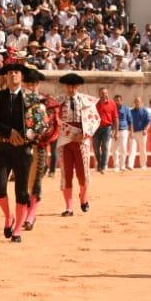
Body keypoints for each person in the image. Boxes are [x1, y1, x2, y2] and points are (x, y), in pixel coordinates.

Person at [0, 61, 37, 242]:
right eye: (10, 73)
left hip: (23, 148)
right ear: (5, 77)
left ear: (22, 76)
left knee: (21, 191)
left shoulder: (31, 98)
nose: (13, 75)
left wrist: (24, 136)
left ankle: (18, 231)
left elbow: (39, 124)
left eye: (17, 72)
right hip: (4, 147)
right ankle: (9, 216)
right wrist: (9, 132)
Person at [20, 67, 59, 229]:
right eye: (28, 83)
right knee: (22, 184)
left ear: (38, 84)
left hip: (38, 146)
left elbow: (52, 126)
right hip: (20, 147)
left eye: (34, 83)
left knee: (35, 183)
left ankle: (30, 216)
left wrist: (38, 137)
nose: (31, 86)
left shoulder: (47, 102)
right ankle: (26, 214)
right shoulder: (15, 101)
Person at [56, 73, 100, 215]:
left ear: (78, 86)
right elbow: (53, 120)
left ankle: (84, 197)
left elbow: (95, 119)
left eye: (74, 86)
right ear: (65, 86)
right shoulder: (59, 101)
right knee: (66, 174)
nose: (71, 88)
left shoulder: (87, 101)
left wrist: (85, 134)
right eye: (69, 86)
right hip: (65, 141)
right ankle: (69, 207)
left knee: (83, 174)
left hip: (81, 140)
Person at [93, 86, 117, 172]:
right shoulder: (94, 103)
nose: (104, 95)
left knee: (106, 147)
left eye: (106, 93)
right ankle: (99, 163)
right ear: (99, 94)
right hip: (96, 128)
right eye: (102, 93)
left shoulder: (112, 103)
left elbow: (115, 118)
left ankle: (103, 166)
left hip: (107, 128)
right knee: (96, 148)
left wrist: (116, 131)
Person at [128, 97, 151, 169]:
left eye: (138, 102)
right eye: (135, 102)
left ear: (141, 103)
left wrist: (145, 129)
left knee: (142, 149)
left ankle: (143, 165)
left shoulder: (145, 111)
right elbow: (129, 122)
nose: (137, 103)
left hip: (142, 132)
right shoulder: (131, 112)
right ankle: (130, 165)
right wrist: (130, 132)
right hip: (133, 132)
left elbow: (149, 122)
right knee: (132, 149)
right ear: (134, 103)